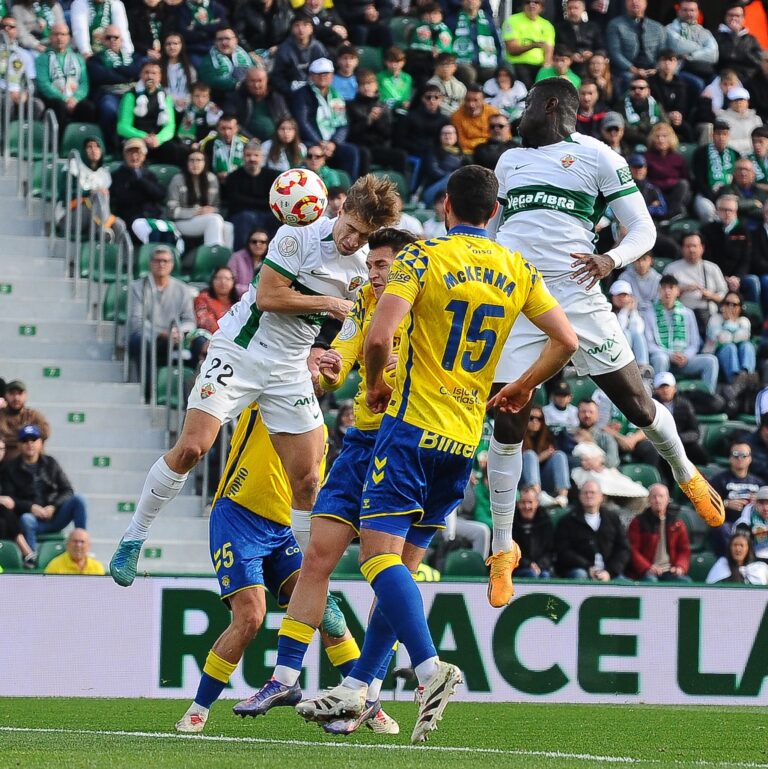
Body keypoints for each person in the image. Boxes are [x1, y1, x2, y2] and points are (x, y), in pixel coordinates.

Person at [290, 165, 578, 742]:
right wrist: (522, 386)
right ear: (495, 213)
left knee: (375, 560)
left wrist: (373, 385)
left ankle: (427, 669)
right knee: (402, 566)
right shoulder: (517, 267)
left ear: (446, 206)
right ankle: (360, 687)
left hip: (410, 429)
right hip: (462, 441)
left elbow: (377, 337)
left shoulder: (422, 258)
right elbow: (567, 341)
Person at [487, 76, 725, 610]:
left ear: (550, 106)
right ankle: (502, 550)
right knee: (507, 421)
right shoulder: (509, 162)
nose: (520, 112)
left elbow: (642, 229)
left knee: (639, 404)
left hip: (578, 295)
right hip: (520, 300)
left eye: (527, 102)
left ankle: (685, 473)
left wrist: (610, 259)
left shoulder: (596, 154)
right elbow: (494, 231)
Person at [109, 175, 401, 587]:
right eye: (350, 228)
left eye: (364, 236)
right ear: (341, 209)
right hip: (241, 350)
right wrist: (329, 302)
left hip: (289, 369)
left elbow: (341, 327)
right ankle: (133, 538)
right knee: (193, 447)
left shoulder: (360, 268)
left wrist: (332, 357)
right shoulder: (296, 234)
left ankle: (311, 584)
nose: (353, 241)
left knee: (308, 480)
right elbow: (269, 297)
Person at [231, 227, 418, 730]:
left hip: (406, 448)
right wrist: (331, 368)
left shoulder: (427, 308)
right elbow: (345, 362)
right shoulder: (362, 306)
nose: (373, 275)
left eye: (383, 266)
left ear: (407, 266)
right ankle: (285, 675)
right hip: (360, 444)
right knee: (316, 556)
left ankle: (367, 693)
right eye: (372, 265)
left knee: (387, 573)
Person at [175, 351, 398, 736]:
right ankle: (198, 709)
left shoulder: (321, 431)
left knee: (328, 616)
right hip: (238, 516)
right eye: (315, 362)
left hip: (285, 531)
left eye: (327, 366)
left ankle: (369, 705)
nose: (321, 369)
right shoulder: (266, 396)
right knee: (250, 617)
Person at [1, 425, 88, 552]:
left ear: (41, 442)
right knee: (26, 519)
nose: (29, 444)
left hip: (56, 516)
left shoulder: (51, 463)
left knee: (79, 500)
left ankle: (82, 543)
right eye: (25, 441)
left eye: (33, 440)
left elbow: (67, 490)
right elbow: (10, 499)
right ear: (19, 445)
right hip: (31, 519)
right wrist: (31, 507)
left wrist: (53, 506)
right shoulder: (10, 468)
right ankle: (32, 558)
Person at [643, 274, 719, 393]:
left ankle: (707, 397)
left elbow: (694, 343)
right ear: (659, 291)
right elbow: (649, 344)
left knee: (711, 361)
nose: (667, 291)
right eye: (664, 287)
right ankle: (659, 397)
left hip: (684, 360)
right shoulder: (649, 313)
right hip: (664, 359)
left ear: (677, 291)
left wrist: (686, 356)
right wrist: (670, 354)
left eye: (671, 287)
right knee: (660, 358)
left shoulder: (687, 313)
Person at [291, 57, 360, 182]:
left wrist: (334, 143)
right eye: (318, 74)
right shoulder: (302, 94)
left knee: (352, 152)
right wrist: (319, 142)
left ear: (332, 75)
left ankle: (350, 193)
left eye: (326, 73)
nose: (323, 76)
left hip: (331, 144)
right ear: (311, 75)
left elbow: (343, 124)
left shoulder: (336, 94)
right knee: (309, 152)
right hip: (311, 141)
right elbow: (302, 121)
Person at [554, 480, 630, 580]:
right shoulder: (567, 521)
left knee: (625, 583)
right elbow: (563, 551)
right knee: (580, 575)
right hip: (579, 570)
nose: (589, 495)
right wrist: (587, 566)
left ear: (601, 497)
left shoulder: (613, 519)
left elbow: (623, 549)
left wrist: (610, 572)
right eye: (585, 492)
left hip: (609, 572)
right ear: (579, 496)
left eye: (593, 492)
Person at [117, 60, 184, 166]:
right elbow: (123, 127)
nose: (150, 76)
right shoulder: (131, 96)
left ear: (160, 76)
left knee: (176, 150)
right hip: (137, 138)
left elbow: (170, 126)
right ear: (141, 75)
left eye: (154, 73)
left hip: (157, 140)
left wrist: (158, 139)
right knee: (136, 151)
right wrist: (144, 137)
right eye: (146, 72)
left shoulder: (165, 97)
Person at [87, 25, 143, 150]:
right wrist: (127, 76)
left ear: (121, 40)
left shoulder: (133, 57)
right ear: (103, 40)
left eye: (116, 37)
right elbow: (101, 76)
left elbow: (137, 71)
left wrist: (115, 69)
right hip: (110, 94)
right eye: (108, 37)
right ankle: (111, 147)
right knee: (109, 109)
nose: (112, 40)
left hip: (131, 94)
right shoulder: (96, 59)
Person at [662, 232, 727, 336]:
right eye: (688, 246)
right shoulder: (672, 269)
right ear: (682, 248)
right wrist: (682, 290)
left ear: (702, 248)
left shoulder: (712, 268)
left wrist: (711, 295)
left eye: (695, 246)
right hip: (681, 316)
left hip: (708, 316)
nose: (691, 250)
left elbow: (725, 295)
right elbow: (662, 294)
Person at [167, 150, 233, 250]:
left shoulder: (211, 179)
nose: (195, 164)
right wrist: (197, 211)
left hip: (206, 219)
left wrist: (212, 210)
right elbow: (171, 211)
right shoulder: (178, 179)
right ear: (187, 163)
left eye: (199, 160)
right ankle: (211, 257)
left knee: (228, 227)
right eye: (192, 160)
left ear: (204, 163)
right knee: (214, 219)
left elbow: (217, 206)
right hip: (181, 222)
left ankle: (225, 262)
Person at [35, 23, 96, 129]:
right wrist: (64, 99)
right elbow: (43, 84)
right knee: (59, 106)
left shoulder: (78, 58)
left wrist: (75, 98)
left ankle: (84, 142)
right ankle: (59, 143)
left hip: (75, 98)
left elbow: (84, 83)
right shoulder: (42, 58)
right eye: (56, 34)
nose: (59, 38)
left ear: (69, 37)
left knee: (88, 108)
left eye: (63, 34)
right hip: (54, 99)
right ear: (50, 37)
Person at [627, 483, 691, 582]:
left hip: (670, 571)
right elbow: (633, 550)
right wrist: (647, 567)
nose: (658, 500)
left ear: (667, 499)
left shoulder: (677, 523)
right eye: (654, 497)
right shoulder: (638, 522)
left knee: (685, 582)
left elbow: (684, 550)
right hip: (647, 572)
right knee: (651, 581)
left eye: (661, 496)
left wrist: (680, 566)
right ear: (648, 500)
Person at [710, 439, 765, 555]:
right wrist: (725, 504)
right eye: (736, 455)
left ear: (750, 459)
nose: (740, 458)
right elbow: (707, 505)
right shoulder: (719, 480)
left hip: (755, 524)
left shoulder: (760, 483)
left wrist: (758, 503)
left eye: (744, 455)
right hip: (730, 524)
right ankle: (732, 560)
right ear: (730, 458)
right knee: (721, 528)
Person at [222, 140, 278, 248]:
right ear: (243, 157)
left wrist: (250, 202)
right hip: (241, 215)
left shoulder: (271, 176)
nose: (252, 159)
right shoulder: (234, 177)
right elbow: (235, 201)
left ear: (262, 157)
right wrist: (262, 203)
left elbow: (273, 201)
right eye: (248, 155)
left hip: (266, 215)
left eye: (256, 155)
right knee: (246, 217)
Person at [109, 138, 167, 238]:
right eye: (130, 153)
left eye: (138, 153)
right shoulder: (117, 175)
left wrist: (140, 182)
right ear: (124, 155)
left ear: (144, 156)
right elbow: (122, 198)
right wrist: (147, 194)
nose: (134, 156)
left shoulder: (149, 174)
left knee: (169, 232)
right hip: (131, 219)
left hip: (153, 216)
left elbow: (160, 194)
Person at [605, 0, 667, 92]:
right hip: (626, 69)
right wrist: (633, 69)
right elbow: (615, 53)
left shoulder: (657, 27)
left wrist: (656, 68)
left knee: (665, 77)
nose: (634, 2)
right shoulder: (615, 25)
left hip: (652, 68)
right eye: (630, 0)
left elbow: (663, 53)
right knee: (628, 80)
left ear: (646, 3)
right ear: (625, 3)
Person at [270, 10, 328, 97]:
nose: (301, 29)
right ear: (292, 29)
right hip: (292, 92)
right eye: (297, 25)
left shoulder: (318, 48)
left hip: (316, 90)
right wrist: (289, 89)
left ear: (312, 29)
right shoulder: (284, 49)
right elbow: (278, 76)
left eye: (305, 25)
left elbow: (326, 71)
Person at [691, 120, 740, 223]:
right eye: (718, 134)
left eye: (724, 134)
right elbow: (699, 181)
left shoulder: (735, 154)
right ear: (712, 135)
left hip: (730, 194)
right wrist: (715, 198)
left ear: (728, 136)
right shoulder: (700, 153)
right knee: (708, 211)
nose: (721, 137)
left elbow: (737, 181)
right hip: (706, 195)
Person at [197, 26, 254, 111]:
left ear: (236, 40)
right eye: (220, 39)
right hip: (222, 99)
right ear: (215, 42)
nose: (224, 42)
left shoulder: (246, 56)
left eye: (227, 39)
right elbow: (210, 80)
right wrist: (235, 84)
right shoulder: (208, 60)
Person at [500, 0, 554, 89]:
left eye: (536, 2)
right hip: (517, 63)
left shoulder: (547, 25)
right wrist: (532, 45)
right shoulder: (512, 20)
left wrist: (545, 69)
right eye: (527, 2)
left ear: (542, 7)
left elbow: (549, 50)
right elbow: (512, 49)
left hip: (539, 66)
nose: (531, 4)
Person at [664, 0, 718, 88]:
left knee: (718, 82)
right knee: (698, 84)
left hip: (703, 70)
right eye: (685, 10)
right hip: (679, 70)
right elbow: (679, 47)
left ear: (698, 12)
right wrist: (704, 49)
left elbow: (714, 54)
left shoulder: (704, 32)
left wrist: (691, 55)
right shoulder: (669, 29)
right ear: (679, 11)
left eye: (692, 10)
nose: (689, 13)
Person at [521, 406, 569, 506]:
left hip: (545, 479)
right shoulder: (518, 437)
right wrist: (540, 458)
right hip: (523, 481)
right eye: (531, 418)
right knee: (530, 455)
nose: (535, 421)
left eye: (539, 419)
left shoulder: (547, 436)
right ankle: (538, 496)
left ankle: (562, 497)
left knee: (559, 455)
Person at [643, 122, 691, 220]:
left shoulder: (678, 158)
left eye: (664, 136)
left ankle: (671, 216)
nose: (661, 140)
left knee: (683, 185)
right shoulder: (646, 157)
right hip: (655, 193)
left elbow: (686, 178)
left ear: (671, 138)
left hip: (675, 194)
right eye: (657, 136)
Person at [449, 0, 500, 84]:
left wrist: (497, 61)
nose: (471, 1)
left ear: (480, 2)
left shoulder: (488, 20)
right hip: (462, 62)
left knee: (495, 72)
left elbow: (497, 44)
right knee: (468, 73)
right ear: (461, 2)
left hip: (486, 61)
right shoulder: (453, 20)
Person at [648, 50, 693, 144]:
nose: (667, 63)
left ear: (676, 64)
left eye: (671, 60)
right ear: (658, 63)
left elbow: (683, 105)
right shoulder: (650, 82)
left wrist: (678, 115)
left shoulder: (681, 83)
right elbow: (652, 104)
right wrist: (666, 115)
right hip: (656, 119)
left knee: (687, 130)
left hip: (676, 120)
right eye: (664, 60)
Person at [0, 381, 50, 462]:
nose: (16, 398)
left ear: (25, 395)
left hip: (35, 468)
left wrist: (11, 438)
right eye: (12, 394)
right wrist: (27, 434)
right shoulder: (1, 416)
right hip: (6, 468)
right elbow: (2, 436)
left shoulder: (34, 415)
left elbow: (45, 433)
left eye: (20, 394)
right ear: (6, 395)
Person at [511, 485, 555, 578]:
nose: (527, 506)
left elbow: (550, 552)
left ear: (537, 503)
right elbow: (509, 551)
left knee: (545, 575)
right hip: (517, 569)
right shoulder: (510, 523)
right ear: (517, 504)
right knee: (531, 575)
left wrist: (539, 565)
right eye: (523, 502)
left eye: (530, 502)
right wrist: (528, 564)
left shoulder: (546, 523)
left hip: (542, 568)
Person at [420, 123, 467, 206]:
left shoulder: (462, 155)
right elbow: (433, 171)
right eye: (444, 133)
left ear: (456, 136)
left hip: (453, 191)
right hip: (432, 191)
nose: (447, 136)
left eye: (450, 133)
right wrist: (450, 177)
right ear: (439, 136)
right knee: (454, 176)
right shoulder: (432, 151)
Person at [715, 4, 763, 83]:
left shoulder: (751, 39)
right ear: (725, 17)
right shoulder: (717, 36)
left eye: (737, 16)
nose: (734, 18)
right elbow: (726, 56)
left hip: (747, 79)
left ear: (743, 18)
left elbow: (757, 61)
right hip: (722, 77)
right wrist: (734, 35)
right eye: (730, 15)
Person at [555, 0, 603, 77]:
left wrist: (592, 53)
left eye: (576, 8)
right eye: (569, 8)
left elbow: (601, 48)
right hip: (569, 64)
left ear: (583, 9)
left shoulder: (593, 27)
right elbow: (558, 47)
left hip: (590, 63)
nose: (572, 11)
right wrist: (571, 55)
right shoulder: (560, 28)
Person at [199, 113, 249, 183]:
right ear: (217, 128)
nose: (227, 132)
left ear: (237, 129)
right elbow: (205, 165)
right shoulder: (209, 143)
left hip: (240, 182)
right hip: (215, 181)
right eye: (223, 128)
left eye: (230, 128)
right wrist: (216, 174)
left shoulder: (245, 143)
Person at [451, 83, 499, 153]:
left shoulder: (493, 112)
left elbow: (503, 135)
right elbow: (461, 142)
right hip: (469, 152)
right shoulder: (456, 116)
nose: (471, 105)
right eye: (468, 100)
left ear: (483, 100)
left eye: (475, 100)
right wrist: (483, 143)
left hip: (492, 149)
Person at [609, 278, 648, 365]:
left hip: (633, 352)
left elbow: (638, 330)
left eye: (625, 295)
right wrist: (625, 310)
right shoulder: (608, 312)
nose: (622, 298)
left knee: (637, 335)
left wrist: (633, 311)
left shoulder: (633, 313)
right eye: (619, 295)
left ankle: (643, 366)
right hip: (614, 351)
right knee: (626, 333)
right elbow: (619, 330)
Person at [619, 77, 666, 148]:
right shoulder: (621, 106)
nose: (637, 91)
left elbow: (664, 123)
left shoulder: (656, 105)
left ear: (648, 91)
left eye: (641, 88)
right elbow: (626, 129)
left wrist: (640, 127)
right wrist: (647, 135)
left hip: (655, 143)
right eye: (633, 88)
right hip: (630, 145)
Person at [716, 87, 763, 156]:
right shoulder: (721, 119)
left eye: (742, 99)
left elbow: (761, 142)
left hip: (754, 156)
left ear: (747, 102)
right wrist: (750, 143)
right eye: (735, 100)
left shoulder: (756, 119)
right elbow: (724, 143)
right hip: (731, 155)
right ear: (730, 103)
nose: (739, 103)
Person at [194, 266, 239, 335]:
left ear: (233, 282)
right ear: (212, 280)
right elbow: (206, 322)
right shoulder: (203, 299)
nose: (223, 282)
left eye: (227, 279)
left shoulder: (238, 303)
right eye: (219, 278)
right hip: (210, 338)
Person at [176, 81, 222, 148]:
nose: (200, 100)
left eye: (204, 96)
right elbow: (184, 132)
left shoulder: (213, 110)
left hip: (209, 141)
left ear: (209, 97)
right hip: (191, 142)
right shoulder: (187, 109)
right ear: (191, 96)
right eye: (197, 96)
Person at [162, 33, 197, 115]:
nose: (172, 47)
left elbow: (194, 86)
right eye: (168, 44)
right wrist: (173, 100)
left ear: (181, 46)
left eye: (175, 43)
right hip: (166, 106)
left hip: (187, 105)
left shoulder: (189, 66)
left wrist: (187, 100)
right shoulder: (159, 66)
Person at [627, 152, 667, 221]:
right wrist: (651, 206)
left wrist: (648, 209)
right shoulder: (624, 189)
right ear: (629, 169)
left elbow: (663, 210)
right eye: (634, 167)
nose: (638, 170)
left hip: (649, 222)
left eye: (640, 167)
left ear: (645, 169)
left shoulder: (652, 189)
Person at [228, 228, 269, 295]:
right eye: (254, 241)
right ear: (248, 243)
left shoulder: (271, 261)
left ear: (267, 244)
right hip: (239, 300)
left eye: (262, 242)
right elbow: (230, 285)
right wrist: (253, 291)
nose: (258, 245)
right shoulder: (237, 258)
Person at [426, 52, 467, 117]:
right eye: (442, 64)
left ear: (455, 67)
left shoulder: (460, 86)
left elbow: (464, 105)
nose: (445, 68)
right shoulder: (430, 85)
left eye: (448, 65)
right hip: (438, 119)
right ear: (436, 67)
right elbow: (436, 107)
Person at [734, 484, 768, 561]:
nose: (765, 508)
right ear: (755, 503)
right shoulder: (743, 525)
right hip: (754, 560)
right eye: (761, 503)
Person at [377, 46, 412, 111]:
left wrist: (405, 103)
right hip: (385, 109)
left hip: (401, 110)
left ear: (403, 62)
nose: (394, 65)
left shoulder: (407, 78)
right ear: (385, 62)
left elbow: (406, 98)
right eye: (391, 61)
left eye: (397, 61)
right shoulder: (379, 76)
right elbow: (379, 98)